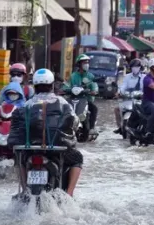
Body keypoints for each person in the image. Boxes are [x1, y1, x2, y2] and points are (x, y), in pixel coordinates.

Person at [16, 68, 82, 197]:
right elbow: (75, 122)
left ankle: (24, 190)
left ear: (35, 86)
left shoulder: (27, 104)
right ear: (52, 85)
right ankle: (69, 194)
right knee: (77, 159)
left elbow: (19, 126)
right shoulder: (62, 103)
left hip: (32, 148)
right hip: (57, 148)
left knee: (20, 159)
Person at [67, 54, 99, 134]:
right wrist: (63, 90)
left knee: (94, 109)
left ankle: (92, 128)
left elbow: (94, 85)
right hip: (73, 98)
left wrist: (93, 91)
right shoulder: (73, 76)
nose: (86, 64)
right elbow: (66, 85)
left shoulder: (90, 76)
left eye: (87, 62)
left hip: (86, 99)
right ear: (79, 64)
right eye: (84, 63)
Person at [113, 59, 145, 134]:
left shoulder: (144, 77)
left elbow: (145, 88)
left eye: (137, 66)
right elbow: (123, 86)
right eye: (133, 66)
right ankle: (120, 127)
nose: (135, 68)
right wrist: (119, 93)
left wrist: (144, 94)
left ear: (140, 67)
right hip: (128, 100)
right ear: (130, 68)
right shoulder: (127, 77)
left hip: (140, 100)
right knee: (117, 109)